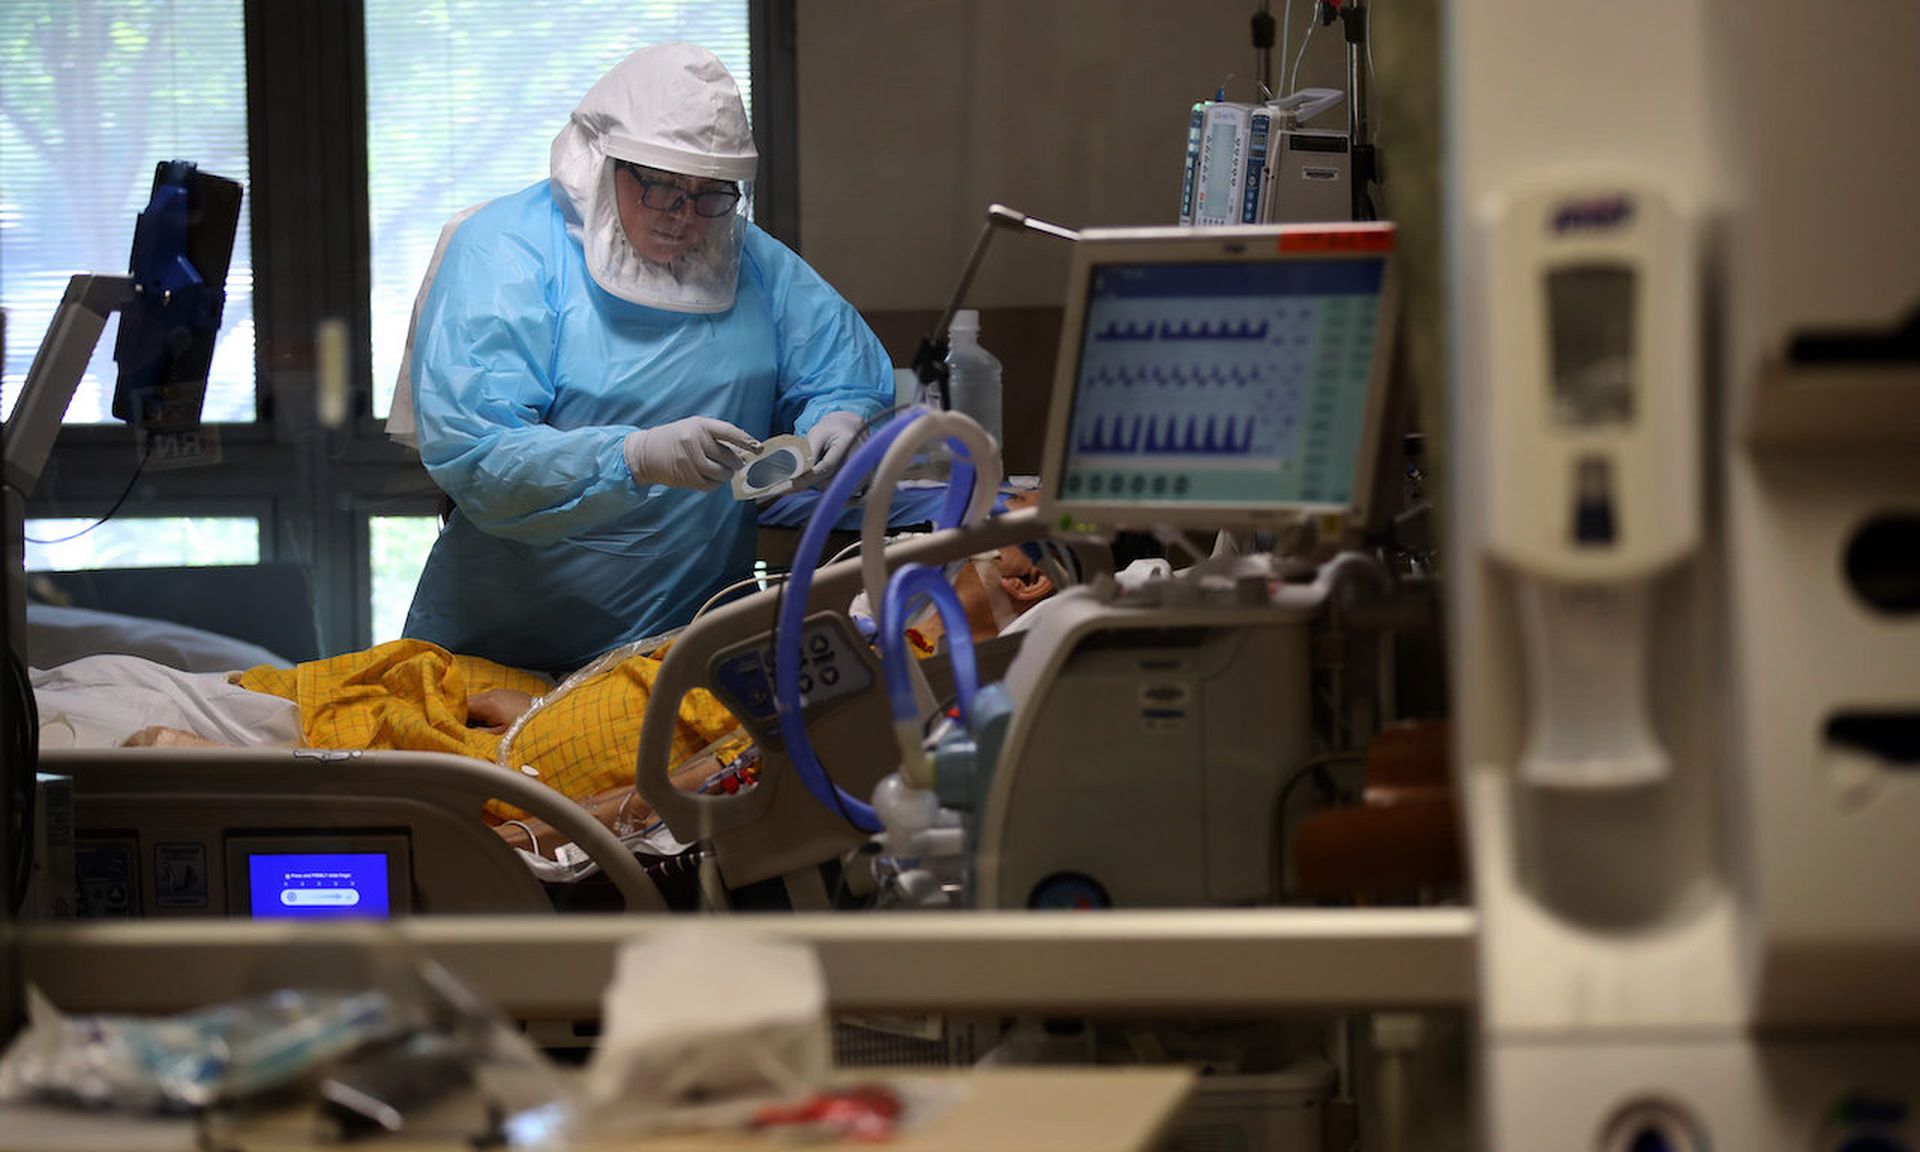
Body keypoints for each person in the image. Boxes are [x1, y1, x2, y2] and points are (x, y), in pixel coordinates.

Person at [400, 42, 893, 676]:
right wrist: (633, 458)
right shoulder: (508, 254)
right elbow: (479, 457)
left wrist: (841, 418)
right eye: (661, 187)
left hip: (680, 651)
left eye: (711, 194)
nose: (684, 217)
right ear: (603, 163)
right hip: (505, 648)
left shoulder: (746, 258)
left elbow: (841, 366)